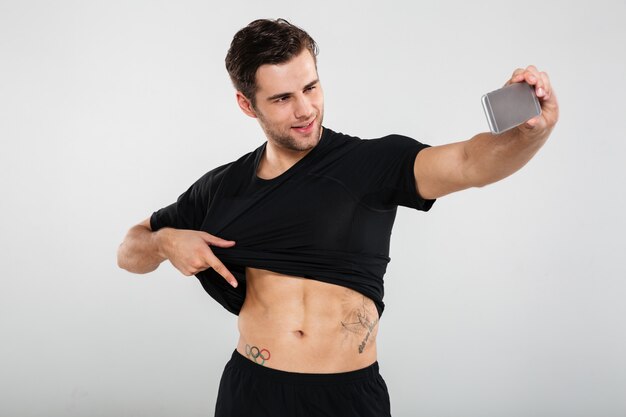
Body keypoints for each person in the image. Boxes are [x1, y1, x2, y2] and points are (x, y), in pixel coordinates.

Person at [117, 18, 558, 417]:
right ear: (247, 105)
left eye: (311, 87)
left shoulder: (370, 163)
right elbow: (130, 250)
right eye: (283, 98)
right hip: (252, 391)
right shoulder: (223, 186)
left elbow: (468, 163)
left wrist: (527, 133)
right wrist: (166, 242)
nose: (305, 109)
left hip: (346, 396)